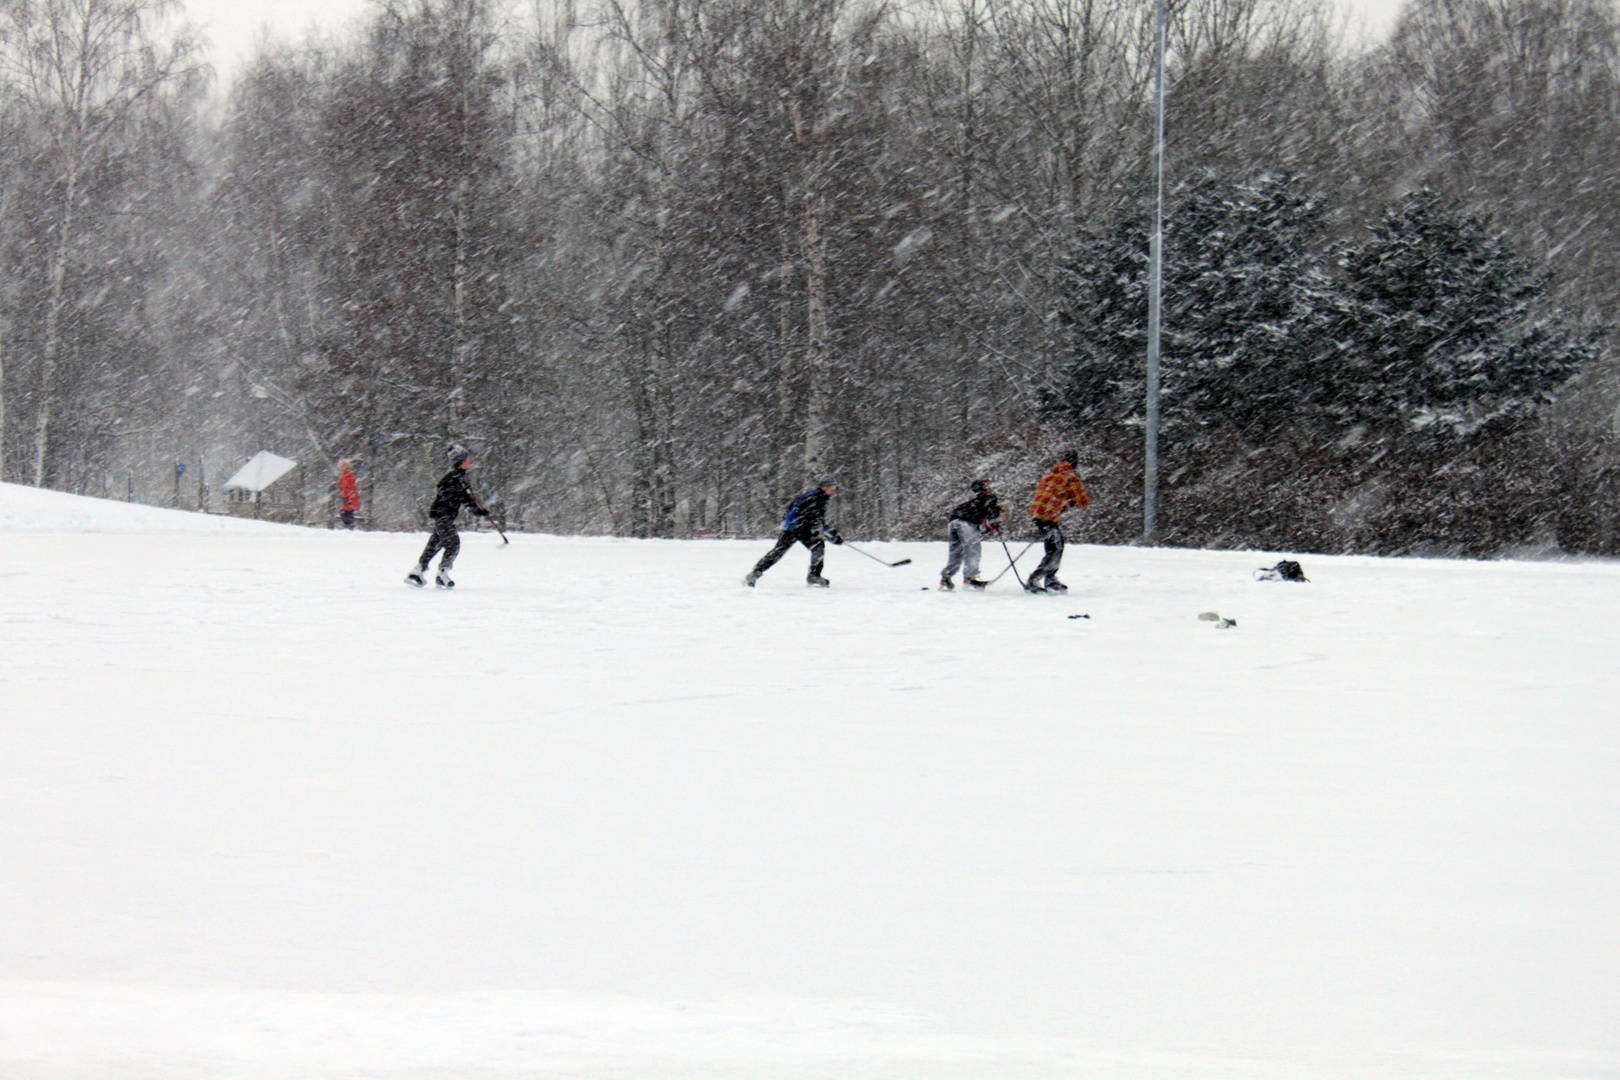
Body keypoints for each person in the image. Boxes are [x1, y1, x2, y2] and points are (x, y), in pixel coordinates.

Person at [406, 444, 490, 588]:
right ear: (461, 461)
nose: (470, 460)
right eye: (467, 458)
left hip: (446, 516)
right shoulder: (453, 477)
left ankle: (417, 572)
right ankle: (442, 574)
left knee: (435, 544)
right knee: (453, 544)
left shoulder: (461, 477)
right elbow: (447, 493)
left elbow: (466, 498)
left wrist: (477, 510)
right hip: (443, 516)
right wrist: (460, 495)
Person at [744, 478, 843, 587]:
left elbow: (816, 519)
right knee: (816, 546)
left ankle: (755, 573)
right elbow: (811, 516)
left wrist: (831, 533)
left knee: (780, 551)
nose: (833, 492)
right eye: (832, 489)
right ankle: (813, 576)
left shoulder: (817, 497)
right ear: (825, 488)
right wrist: (824, 531)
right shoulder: (815, 497)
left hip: (792, 526)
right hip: (797, 526)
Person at [1026, 451, 1090, 594]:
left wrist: (1065, 503)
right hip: (1049, 516)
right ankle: (1037, 579)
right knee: (1056, 548)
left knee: (1054, 545)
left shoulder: (1048, 477)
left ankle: (1050, 578)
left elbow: (1049, 496)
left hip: (1038, 514)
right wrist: (1071, 501)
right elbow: (1083, 501)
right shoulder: (1071, 478)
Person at [939, 479, 1003, 591]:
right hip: (966, 522)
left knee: (956, 551)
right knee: (973, 549)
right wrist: (995, 521)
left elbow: (982, 520)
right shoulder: (990, 499)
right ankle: (970, 578)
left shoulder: (976, 502)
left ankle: (946, 576)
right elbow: (988, 521)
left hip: (954, 520)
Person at [337, 459, 361, 529]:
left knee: (345, 513)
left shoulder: (347, 476)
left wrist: (344, 497)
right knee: (347, 513)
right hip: (351, 498)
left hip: (349, 498)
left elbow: (346, 488)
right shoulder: (348, 475)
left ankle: (349, 528)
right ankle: (349, 527)